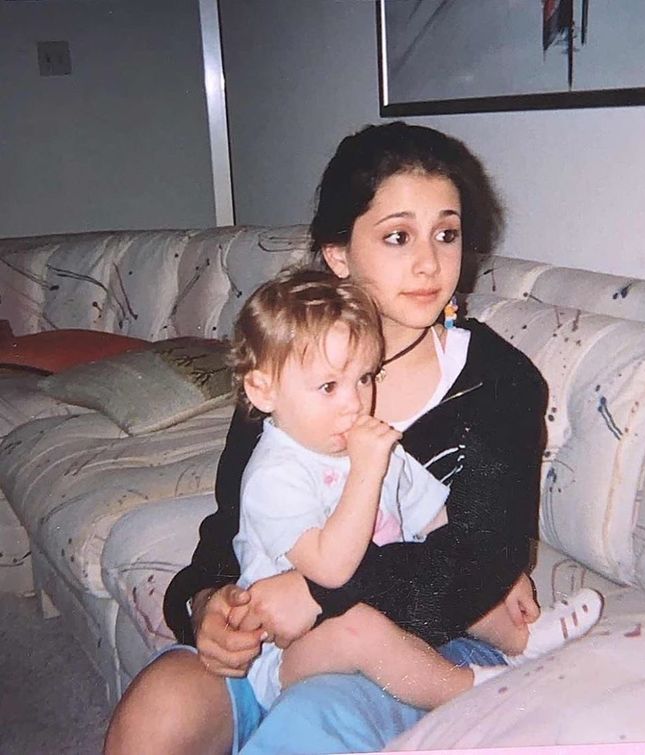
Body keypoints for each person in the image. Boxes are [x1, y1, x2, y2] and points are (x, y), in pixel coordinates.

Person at [105, 121, 599, 755]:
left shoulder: (499, 383)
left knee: (305, 728)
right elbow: (235, 519)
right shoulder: (293, 368)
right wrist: (204, 605)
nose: (429, 263)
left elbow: (482, 558)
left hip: (421, 636)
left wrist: (315, 589)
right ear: (339, 255)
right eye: (398, 236)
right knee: (152, 716)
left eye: (446, 234)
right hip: (276, 643)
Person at [230, 268, 602, 713]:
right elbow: (331, 570)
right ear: (262, 389)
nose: (353, 403)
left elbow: (435, 514)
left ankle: (522, 639)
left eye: (364, 379)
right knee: (360, 630)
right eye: (328, 386)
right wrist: (367, 470)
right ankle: (467, 688)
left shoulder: (362, 439)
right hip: (289, 647)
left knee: (442, 579)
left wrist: (496, 575)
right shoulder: (274, 474)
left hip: (378, 595)